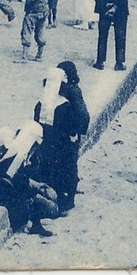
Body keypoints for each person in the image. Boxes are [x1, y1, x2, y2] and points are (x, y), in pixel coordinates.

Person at [0, 124, 60, 237]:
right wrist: (36, 191)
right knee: (52, 208)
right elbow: (23, 189)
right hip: (0, 193)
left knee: (40, 195)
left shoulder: (5, 150)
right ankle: (36, 226)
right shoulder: (19, 158)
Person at [35, 61, 90, 213]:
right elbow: (79, 118)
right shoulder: (65, 102)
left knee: (56, 168)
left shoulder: (43, 102)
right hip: (64, 142)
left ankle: (59, 197)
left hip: (52, 141)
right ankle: (65, 198)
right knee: (66, 168)